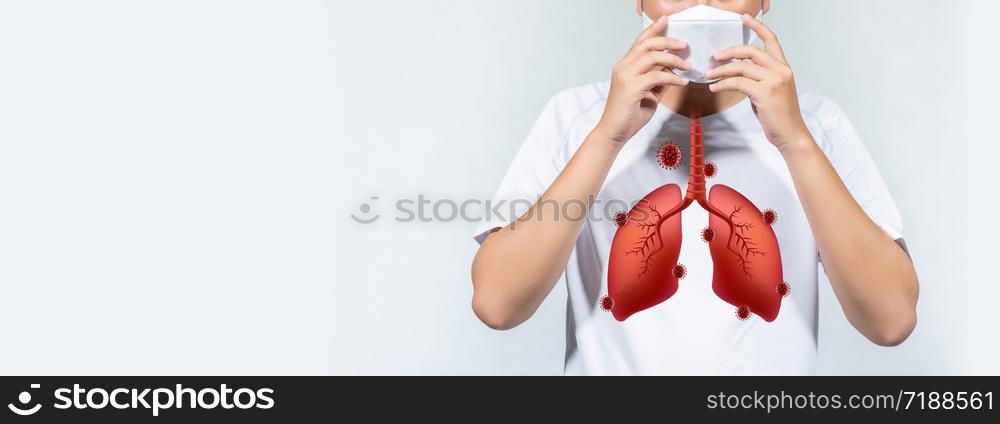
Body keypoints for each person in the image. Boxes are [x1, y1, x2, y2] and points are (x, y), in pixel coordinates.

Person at [470, 0, 919, 376]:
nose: (701, 5)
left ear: (763, 3)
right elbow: (497, 303)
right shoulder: (575, 119)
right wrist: (608, 134)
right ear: (640, 4)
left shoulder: (817, 127)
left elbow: (891, 320)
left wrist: (794, 141)